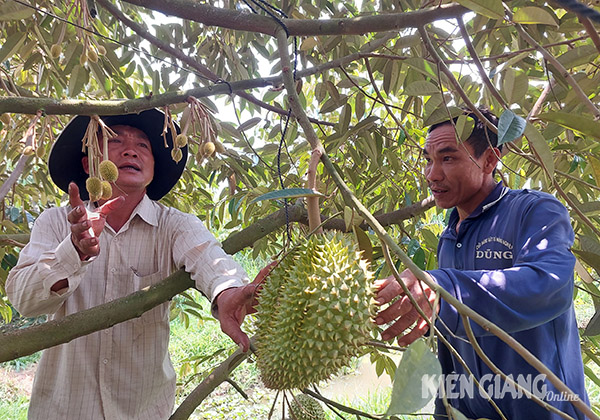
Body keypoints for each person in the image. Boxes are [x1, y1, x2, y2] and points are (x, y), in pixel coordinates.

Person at [6, 109, 267, 420]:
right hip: (63, 408)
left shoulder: (174, 226)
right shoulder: (54, 222)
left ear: (154, 168)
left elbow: (208, 256)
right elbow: (24, 299)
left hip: (142, 410)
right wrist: (73, 251)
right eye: (115, 140)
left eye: (143, 146)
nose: (130, 150)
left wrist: (228, 293)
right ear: (89, 163)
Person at [375, 109, 590, 419]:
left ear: (489, 160)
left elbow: (549, 286)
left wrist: (444, 289)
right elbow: (451, 340)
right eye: (428, 159)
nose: (432, 174)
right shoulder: (450, 235)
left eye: (448, 159)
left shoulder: (535, 211)